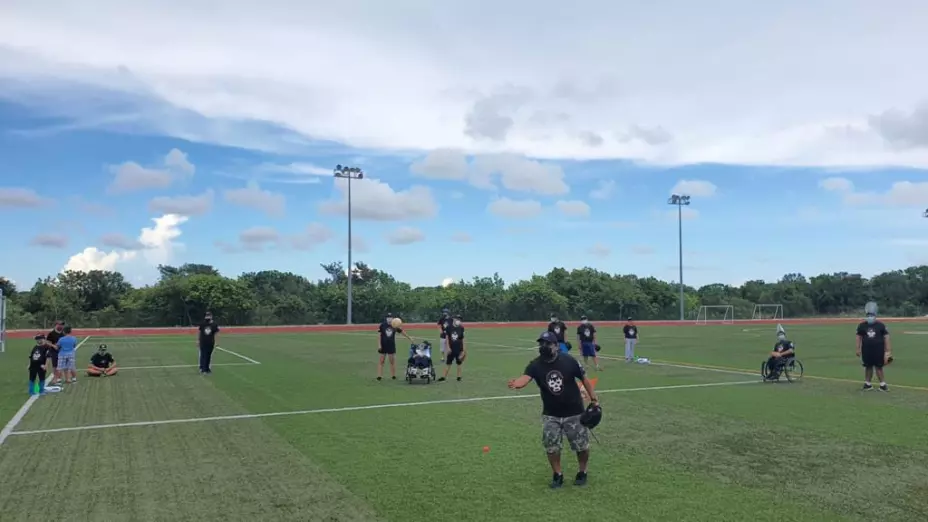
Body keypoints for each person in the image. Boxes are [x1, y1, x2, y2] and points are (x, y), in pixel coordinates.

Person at [508, 331, 599, 489]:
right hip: (551, 414)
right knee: (552, 447)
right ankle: (557, 475)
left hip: (574, 412)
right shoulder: (535, 365)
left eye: (547, 343)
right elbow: (526, 378)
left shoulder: (569, 361)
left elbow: (584, 379)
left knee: (582, 447)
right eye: (541, 343)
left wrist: (594, 399)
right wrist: (517, 383)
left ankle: (582, 472)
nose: (543, 346)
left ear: (556, 346)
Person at [856, 305, 891, 391]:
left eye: (871, 315)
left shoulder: (880, 325)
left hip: (878, 350)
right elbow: (858, 337)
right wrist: (858, 348)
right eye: (868, 315)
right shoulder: (862, 326)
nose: (870, 317)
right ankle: (867, 384)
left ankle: (883, 384)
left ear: (875, 316)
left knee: (879, 367)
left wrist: (888, 350)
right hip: (866, 350)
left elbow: (886, 337)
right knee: (868, 366)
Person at [377, 312, 413, 381]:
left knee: (392, 361)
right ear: (386, 318)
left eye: (390, 317)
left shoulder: (395, 325)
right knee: (381, 361)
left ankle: (393, 375)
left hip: (391, 346)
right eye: (388, 317)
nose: (389, 319)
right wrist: (379, 345)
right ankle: (379, 376)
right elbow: (379, 336)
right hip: (383, 346)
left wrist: (409, 338)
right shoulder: (382, 325)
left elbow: (402, 332)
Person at [439, 315, 466, 382]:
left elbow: (463, 339)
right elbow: (447, 338)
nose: (458, 321)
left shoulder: (461, 328)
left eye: (459, 319)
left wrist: (463, 350)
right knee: (448, 363)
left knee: (459, 363)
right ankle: (443, 377)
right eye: (457, 319)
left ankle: (459, 377)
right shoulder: (449, 327)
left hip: (459, 348)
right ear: (454, 319)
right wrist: (448, 347)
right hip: (451, 348)